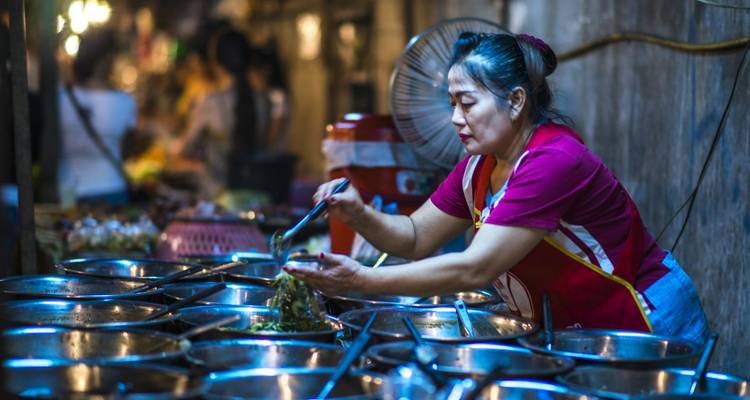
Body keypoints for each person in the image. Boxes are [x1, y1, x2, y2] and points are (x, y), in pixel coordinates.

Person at [284, 32, 709, 342]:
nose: (454, 118)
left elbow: (476, 267)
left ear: (517, 101)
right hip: (585, 329)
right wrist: (358, 212)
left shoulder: (553, 161)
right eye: (451, 104)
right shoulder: (478, 168)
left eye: (467, 103)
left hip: (647, 319)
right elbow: (415, 237)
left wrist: (360, 281)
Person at [58, 27, 135, 205]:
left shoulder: (60, 98)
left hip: (67, 190)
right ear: (107, 62)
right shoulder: (125, 103)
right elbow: (127, 151)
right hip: (112, 188)